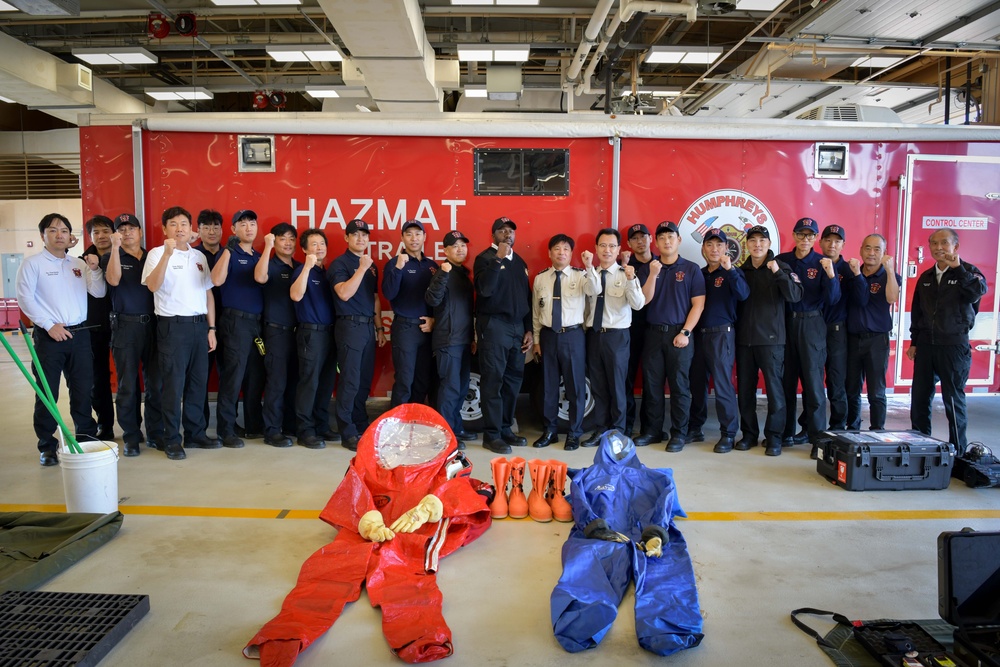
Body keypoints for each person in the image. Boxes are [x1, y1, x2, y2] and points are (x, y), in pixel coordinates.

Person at [244, 404, 491, 665]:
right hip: (375, 512)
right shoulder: (367, 461)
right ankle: (285, 635)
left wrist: (429, 507)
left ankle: (420, 636)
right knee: (334, 568)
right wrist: (367, 517)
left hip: (420, 521)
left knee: (405, 568)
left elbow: (458, 487)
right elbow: (353, 485)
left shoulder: (447, 464)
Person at [549, 431, 704, 656]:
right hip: (602, 535)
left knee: (665, 576)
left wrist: (656, 532)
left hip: (647, 534)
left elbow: (668, 498)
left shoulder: (657, 477)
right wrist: (595, 527)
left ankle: (670, 628)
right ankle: (579, 618)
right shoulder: (587, 476)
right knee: (586, 571)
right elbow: (580, 502)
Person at [15, 213, 105, 466]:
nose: (59, 235)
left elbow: (98, 291)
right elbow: (25, 298)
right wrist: (48, 325)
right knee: (47, 392)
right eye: (53, 230)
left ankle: (85, 439)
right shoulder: (32, 264)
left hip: (80, 335)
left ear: (70, 236)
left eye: (64, 230)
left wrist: (95, 268)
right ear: (43, 235)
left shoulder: (78, 264)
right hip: (49, 337)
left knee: (82, 390)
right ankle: (47, 445)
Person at [141, 206, 218, 460]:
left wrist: (211, 328)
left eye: (184, 223)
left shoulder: (198, 257)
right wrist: (167, 254)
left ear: (190, 227)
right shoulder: (155, 254)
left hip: (199, 327)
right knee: (173, 385)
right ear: (164, 229)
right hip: (172, 327)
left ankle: (195, 434)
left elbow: (208, 293)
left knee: (198, 383)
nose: (179, 228)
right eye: (173, 224)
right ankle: (171, 438)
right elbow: (152, 285)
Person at [907, 228, 987, 455]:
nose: (939, 248)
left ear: (956, 247)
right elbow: (918, 313)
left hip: (954, 347)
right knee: (920, 398)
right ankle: (919, 446)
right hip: (926, 346)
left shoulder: (969, 272)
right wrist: (914, 342)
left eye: (944, 243)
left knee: (953, 400)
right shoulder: (926, 277)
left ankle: (959, 452)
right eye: (934, 243)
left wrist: (958, 269)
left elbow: (977, 292)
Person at [635, 221, 705, 451]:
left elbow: (698, 305)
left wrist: (686, 332)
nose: (666, 241)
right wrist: (653, 275)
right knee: (652, 386)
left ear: (679, 240)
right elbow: (644, 300)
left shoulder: (692, 269)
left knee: (679, 387)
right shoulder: (648, 268)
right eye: (662, 237)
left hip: (680, 335)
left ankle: (679, 433)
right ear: (656, 242)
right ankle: (653, 431)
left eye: (671, 237)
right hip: (653, 335)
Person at [735, 226, 802, 456]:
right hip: (745, 341)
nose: (757, 245)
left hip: (772, 341)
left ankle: (774, 437)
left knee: (775, 391)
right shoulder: (740, 271)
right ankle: (750, 435)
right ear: (747, 245)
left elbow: (795, 296)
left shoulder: (781, 267)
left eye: (762, 240)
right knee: (745, 391)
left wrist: (778, 274)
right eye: (752, 240)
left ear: (769, 243)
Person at [775, 217, 839, 449]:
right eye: (801, 235)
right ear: (793, 236)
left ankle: (817, 439)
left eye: (810, 235)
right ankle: (786, 433)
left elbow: (833, 300)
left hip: (812, 326)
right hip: (785, 325)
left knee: (813, 385)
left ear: (816, 239)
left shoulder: (822, 262)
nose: (805, 239)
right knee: (786, 383)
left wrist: (831, 275)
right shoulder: (782, 261)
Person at [103, 213, 162, 457]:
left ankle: (156, 432)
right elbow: (113, 280)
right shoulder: (111, 256)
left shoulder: (153, 257)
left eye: (131, 228)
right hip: (126, 327)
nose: (127, 233)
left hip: (155, 326)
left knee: (156, 384)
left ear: (140, 231)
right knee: (128, 385)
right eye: (122, 229)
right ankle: (131, 436)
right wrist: (115, 248)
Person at [474, 216, 533, 455]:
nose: (507, 234)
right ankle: (492, 434)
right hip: (494, 325)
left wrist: (528, 328)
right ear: (493, 235)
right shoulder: (484, 258)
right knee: (493, 380)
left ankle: (506, 428)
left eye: (511, 231)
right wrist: (498, 257)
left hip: (517, 328)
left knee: (512, 381)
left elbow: (526, 298)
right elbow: (485, 290)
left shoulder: (519, 262)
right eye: (502, 231)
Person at [580, 228, 644, 448]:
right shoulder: (589, 274)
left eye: (612, 246)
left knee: (617, 386)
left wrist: (631, 279)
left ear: (618, 249)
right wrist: (589, 268)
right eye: (603, 245)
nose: (607, 250)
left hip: (617, 337)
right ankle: (601, 430)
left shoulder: (626, 274)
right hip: (594, 336)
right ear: (596, 248)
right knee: (598, 386)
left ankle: (618, 433)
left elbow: (638, 304)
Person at [689, 228, 749, 453]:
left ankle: (728, 434)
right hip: (698, 334)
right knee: (697, 384)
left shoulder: (733, 272)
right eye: (710, 244)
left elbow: (743, 295)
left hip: (722, 335)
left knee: (723, 385)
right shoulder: (699, 273)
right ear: (703, 248)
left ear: (726, 248)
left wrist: (730, 270)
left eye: (719, 245)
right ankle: (695, 428)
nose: (714, 249)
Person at [531, 234, 593, 451]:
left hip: (573, 335)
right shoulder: (540, 279)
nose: (561, 253)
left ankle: (575, 433)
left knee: (575, 386)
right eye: (556, 249)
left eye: (566, 249)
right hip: (548, 335)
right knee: (548, 386)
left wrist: (589, 266)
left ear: (571, 253)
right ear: (550, 253)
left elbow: (595, 291)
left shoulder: (582, 276)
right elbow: (536, 312)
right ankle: (550, 430)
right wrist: (537, 340)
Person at [329, 219, 387, 451]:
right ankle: (347, 430)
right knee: (350, 380)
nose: (361, 239)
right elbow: (343, 293)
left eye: (364, 235)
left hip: (367, 328)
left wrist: (379, 328)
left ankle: (361, 424)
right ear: (347, 238)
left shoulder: (371, 265)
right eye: (355, 235)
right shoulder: (340, 264)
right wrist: (361, 269)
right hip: (349, 326)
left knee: (363, 381)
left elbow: (374, 299)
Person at [211, 209, 265, 449]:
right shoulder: (227, 253)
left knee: (252, 376)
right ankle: (225, 429)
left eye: (252, 223)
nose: (248, 227)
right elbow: (217, 280)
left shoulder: (258, 255)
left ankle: (245, 424)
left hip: (256, 323)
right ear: (233, 230)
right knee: (233, 376)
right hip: (234, 322)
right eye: (242, 224)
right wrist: (228, 251)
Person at [845, 234, 900, 434]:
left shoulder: (888, 275)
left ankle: (878, 430)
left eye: (877, 249)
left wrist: (891, 270)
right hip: (852, 339)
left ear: (884, 253)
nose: (871, 253)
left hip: (877, 340)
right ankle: (852, 429)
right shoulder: (853, 273)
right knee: (851, 389)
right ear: (861, 250)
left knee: (876, 391)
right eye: (867, 248)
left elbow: (892, 297)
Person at [290, 229, 339, 449]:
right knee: (309, 382)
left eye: (322, 244)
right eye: (314, 244)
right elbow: (296, 295)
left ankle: (321, 425)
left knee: (326, 382)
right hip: (311, 333)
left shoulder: (327, 273)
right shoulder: (303, 270)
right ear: (304, 249)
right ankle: (305, 430)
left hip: (330, 333)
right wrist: (308, 267)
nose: (319, 248)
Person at [425, 230, 475, 440]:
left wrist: (472, 337)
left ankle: (455, 427)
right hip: (448, 341)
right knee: (450, 387)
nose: (460, 249)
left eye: (463, 245)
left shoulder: (463, 275)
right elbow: (432, 299)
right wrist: (443, 274)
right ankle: (447, 435)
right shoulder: (442, 271)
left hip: (463, 341)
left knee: (461, 388)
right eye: (455, 246)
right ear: (445, 250)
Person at [254, 223, 301, 448]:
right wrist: (267, 247)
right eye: (283, 239)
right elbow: (260, 278)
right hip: (275, 332)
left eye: (291, 239)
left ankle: (290, 425)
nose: (288, 243)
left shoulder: (301, 267)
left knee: (294, 382)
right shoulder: (269, 264)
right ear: (275, 241)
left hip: (298, 333)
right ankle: (272, 430)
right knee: (277, 382)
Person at [382, 219, 437, 408]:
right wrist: (398, 267)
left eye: (418, 234)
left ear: (424, 237)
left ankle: (415, 422)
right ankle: (398, 425)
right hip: (405, 328)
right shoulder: (394, 264)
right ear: (402, 238)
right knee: (405, 380)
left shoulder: (432, 266)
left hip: (427, 330)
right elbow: (388, 293)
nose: (414, 238)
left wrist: (434, 320)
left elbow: (439, 300)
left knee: (422, 380)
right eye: (409, 234)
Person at [81, 215, 116, 440]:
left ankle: (136, 426)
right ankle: (106, 425)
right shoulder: (82, 261)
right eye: (96, 233)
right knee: (98, 378)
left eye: (105, 231)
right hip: (95, 328)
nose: (101, 236)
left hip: (126, 324)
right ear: (90, 236)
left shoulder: (126, 255)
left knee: (130, 377)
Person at [816, 224, 853, 431]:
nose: (832, 244)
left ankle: (838, 426)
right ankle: (811, 426)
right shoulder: (814, 264)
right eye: (828, 240)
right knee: (813, 381)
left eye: (837, 241)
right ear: (820, 242)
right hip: (814, 328)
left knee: (836, 381)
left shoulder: (849, 270)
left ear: (843, 245)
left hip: (837, 331)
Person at [623, 223, 658, 437]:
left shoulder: (661, 263)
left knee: (652, 379)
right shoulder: (624, 266)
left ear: (650, 238)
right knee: (626, 379)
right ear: (628, 244)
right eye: (634, 238)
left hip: (656, 329)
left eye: (643, 236)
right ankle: (626, 425)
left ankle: (649, 428)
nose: (640, 241)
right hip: (630, 330)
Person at [193, 209, 225, 432]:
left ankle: (226, 425)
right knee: (199, 378)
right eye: (206, 227)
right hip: (200, 325)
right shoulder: (191, 256)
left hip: (231, 325)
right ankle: (199, 427)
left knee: (229, 378)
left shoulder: (230, 253)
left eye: (215, 227)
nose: (211, 231)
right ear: (199, 230)